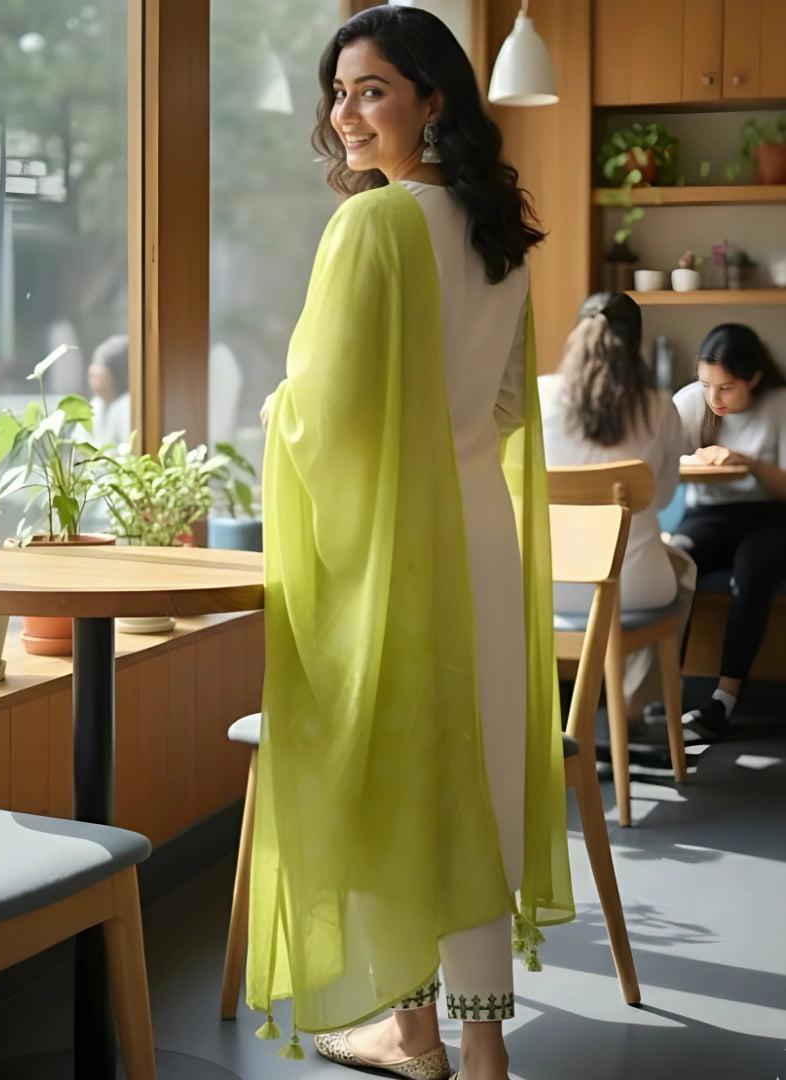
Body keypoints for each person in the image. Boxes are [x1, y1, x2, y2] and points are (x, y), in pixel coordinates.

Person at [247, 8, 573, 1080]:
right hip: (478, 533)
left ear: (434, 100)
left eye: (372, 89)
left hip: (400, 551)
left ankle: (421, 1032)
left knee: (400, 777)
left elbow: (326, 415)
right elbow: (510, 413)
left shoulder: (375, 226)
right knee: (468, 774)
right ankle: (467, 1042)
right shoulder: (497, 238)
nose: (344, 113)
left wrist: (273, 416)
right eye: (338, 92)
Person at [538, 292, 696, 722]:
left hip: (547, 584)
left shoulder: (539, 396)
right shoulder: (660, 407)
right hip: (634, 586)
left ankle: (562, 706)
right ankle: (630, 703)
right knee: (685, 570)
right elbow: (659, 500)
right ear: (636, 342)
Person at [671, 323, 786, 739]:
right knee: (674, 559)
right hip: (707, 515)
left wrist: (748, 462)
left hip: (769, 516)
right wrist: (697, 461)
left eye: (726, 387)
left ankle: (723, 700)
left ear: (753, 377)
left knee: (753, 568)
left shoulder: (779, 404)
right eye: (706, 384)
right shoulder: (690, 401)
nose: (713, 398)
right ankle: (664, 695)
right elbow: (663, 469)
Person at [87, 333, 130, 447]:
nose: (94, 384)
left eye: (100, 378)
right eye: (92, 377)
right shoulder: (96, 405)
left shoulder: (126, 406)